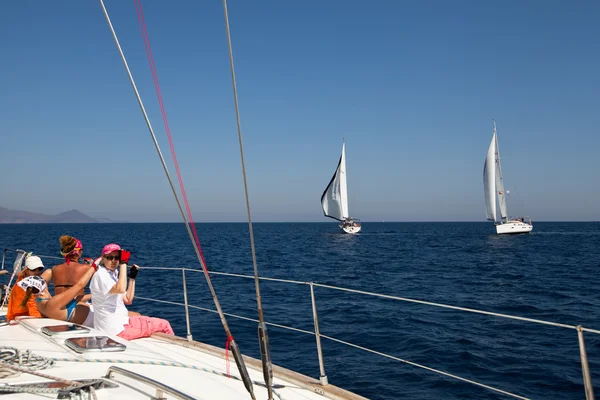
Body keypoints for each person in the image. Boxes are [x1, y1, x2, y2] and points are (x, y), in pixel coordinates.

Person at [90, 243, 174, 340]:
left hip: (121, 323)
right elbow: (120, 289)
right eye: (110, 257)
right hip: (116, 330)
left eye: (117, 258)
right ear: (103, 258)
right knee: (164, 325)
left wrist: (132, 278)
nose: (113, 261)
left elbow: (128, 299)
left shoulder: (112, 274)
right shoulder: (101, 275)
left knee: (151, 321)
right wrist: (123, 263)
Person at [16, 263, 97, 327]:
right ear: (44, 288)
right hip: (94, 317)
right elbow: (80, 285)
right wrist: (94, 266)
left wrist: (93, 295)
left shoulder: (39, 303)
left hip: (87, 315)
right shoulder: (52, 303)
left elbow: (74, 300)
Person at [42, 236, 90, 301]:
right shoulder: (86, 268)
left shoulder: (55, 269)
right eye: (81, 250)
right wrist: (92, 266)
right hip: (77, 308)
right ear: (78, 252)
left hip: (58, 306)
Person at [6, 256, 44, 320]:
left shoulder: (22, 278)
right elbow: (31, 304)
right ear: (26, 270)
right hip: (20, 316)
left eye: (40, 268)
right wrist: (40, 319)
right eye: (33, 269)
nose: (37, 272)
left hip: (13, 315)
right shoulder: (28, 286)